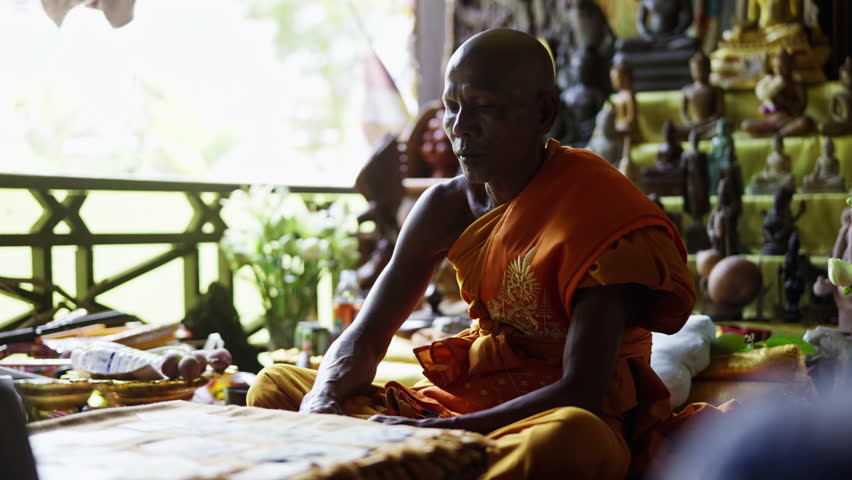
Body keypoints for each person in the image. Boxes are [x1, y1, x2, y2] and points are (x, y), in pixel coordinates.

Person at [248, 28, 696, 479]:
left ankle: (418, 461)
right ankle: (423, 464)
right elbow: (366, 335)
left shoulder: (595, 207)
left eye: (483, 107)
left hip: (545, 417)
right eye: (451, 108)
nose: (459, 129)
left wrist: (447, 435)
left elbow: (581, 389)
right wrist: (321, 397)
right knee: (276, 387)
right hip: (460, 403)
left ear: (544, 112)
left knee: (573, 439)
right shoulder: (445, 206)